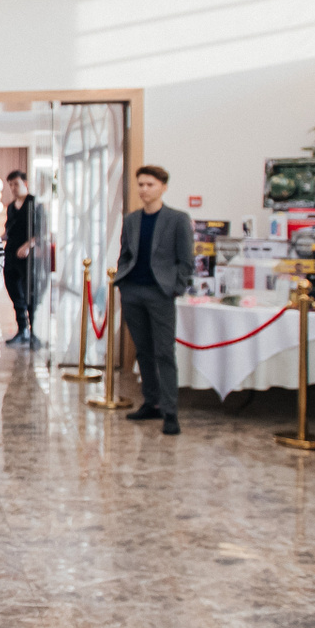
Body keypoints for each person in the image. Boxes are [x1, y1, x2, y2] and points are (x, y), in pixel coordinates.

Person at [113, 165, 194, 436]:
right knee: (143, 351)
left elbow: (186, 260)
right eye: (141, 184)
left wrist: (175, 288)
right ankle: (152, 403)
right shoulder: (131, 220)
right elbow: (126, 253)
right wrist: (123, 281)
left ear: (163, 187)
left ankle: (170, 412)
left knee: (164, 353)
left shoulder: (178, 219)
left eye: (150, 184)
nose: (144, 189)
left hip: (160, 293)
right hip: (133, 291)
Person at [2, 171, 42, 346]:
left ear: (25, 183)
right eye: (10, 185)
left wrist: (28, 245)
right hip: (11, 254)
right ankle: (22, 329)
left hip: (29, 257)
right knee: (14, 291)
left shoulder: (34, 203)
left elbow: (40, 230)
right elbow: (9, 230)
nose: (13, 188)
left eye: (16, 184)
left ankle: (34, 331)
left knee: (29, 292)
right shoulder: (11, 207)